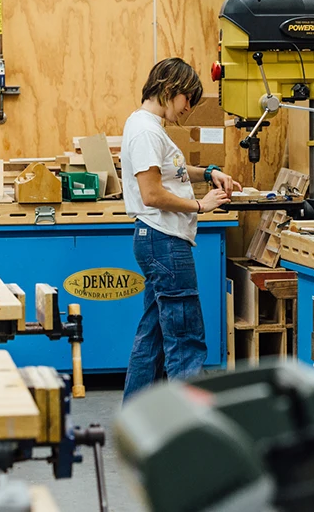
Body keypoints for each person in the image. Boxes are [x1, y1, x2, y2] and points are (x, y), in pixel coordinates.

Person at [120, 58, 242, 402]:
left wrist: (208, 173)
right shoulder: (146, 131)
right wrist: (201, 206)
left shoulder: (146, 126)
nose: (189, 108)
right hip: (164, 241)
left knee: (154, 336)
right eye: (187, 98)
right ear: (170, 89)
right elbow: (152, 193)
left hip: (157, 240)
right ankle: (191, 430)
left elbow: (167, 167)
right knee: (186, 340)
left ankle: (136, 417)